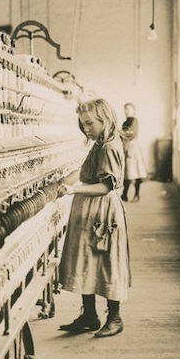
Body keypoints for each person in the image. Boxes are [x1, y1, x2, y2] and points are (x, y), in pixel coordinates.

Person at [57, 98, 131, 338]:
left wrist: (72, 190)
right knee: (86, 260)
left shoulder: (109, 146)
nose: (86, 128)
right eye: (82, 124)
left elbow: (105, 186)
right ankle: (89, 316)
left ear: (104, 119)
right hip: (90, 209)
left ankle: (115, 318)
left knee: (107, 262)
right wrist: (65, 179)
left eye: (89, 123)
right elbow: (87, 173)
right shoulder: (100, 143)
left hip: (102, 211)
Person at [121, 102, 147, 202]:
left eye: (128, 109)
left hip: (133, 147)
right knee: (127, 172)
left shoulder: (134, 121)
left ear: (133, 110)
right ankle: (125, 194)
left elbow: (129, 133)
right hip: (127, 147)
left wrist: (121, 134)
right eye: (125, 109)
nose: (126, 111)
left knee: (136, 171)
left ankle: (136, 194)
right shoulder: (125, 122)